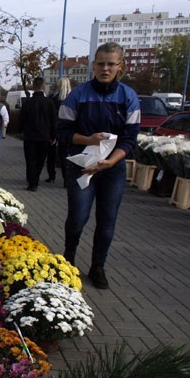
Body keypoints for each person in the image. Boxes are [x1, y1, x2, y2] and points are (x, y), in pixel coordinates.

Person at [57, 42, 140, 289]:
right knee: (78, 217)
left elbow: (130, 138)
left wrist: (111, 161)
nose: (105, 68)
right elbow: (62, 132)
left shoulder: (128, 96)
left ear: (120, 67)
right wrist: (88, 140)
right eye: (101, 63)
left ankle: (98, 266)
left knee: (107, 220)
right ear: (93, 65)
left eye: (111, 64)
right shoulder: (78, 95)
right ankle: (68, 258)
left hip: (111, 169)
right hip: (82, 166)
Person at [19, 77, 56, 191]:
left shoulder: (27, 103)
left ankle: (32, 183)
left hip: (30, 136)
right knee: (40, 160)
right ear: (43, 87)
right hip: (44, 137)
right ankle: (36, 179)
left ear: (33, 87)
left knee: (30, 160)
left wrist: (22, 131)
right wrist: (53, 136)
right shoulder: (50, 103)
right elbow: (53, 120)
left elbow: (22, 119)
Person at [50, 78, 72, 187]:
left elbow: (53, 117)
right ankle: (68, 178)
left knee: (62, 155)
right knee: (69, 155)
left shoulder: (55, 99)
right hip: (72, 131)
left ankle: (63, 178)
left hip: (60, 129)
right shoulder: (72, 98)